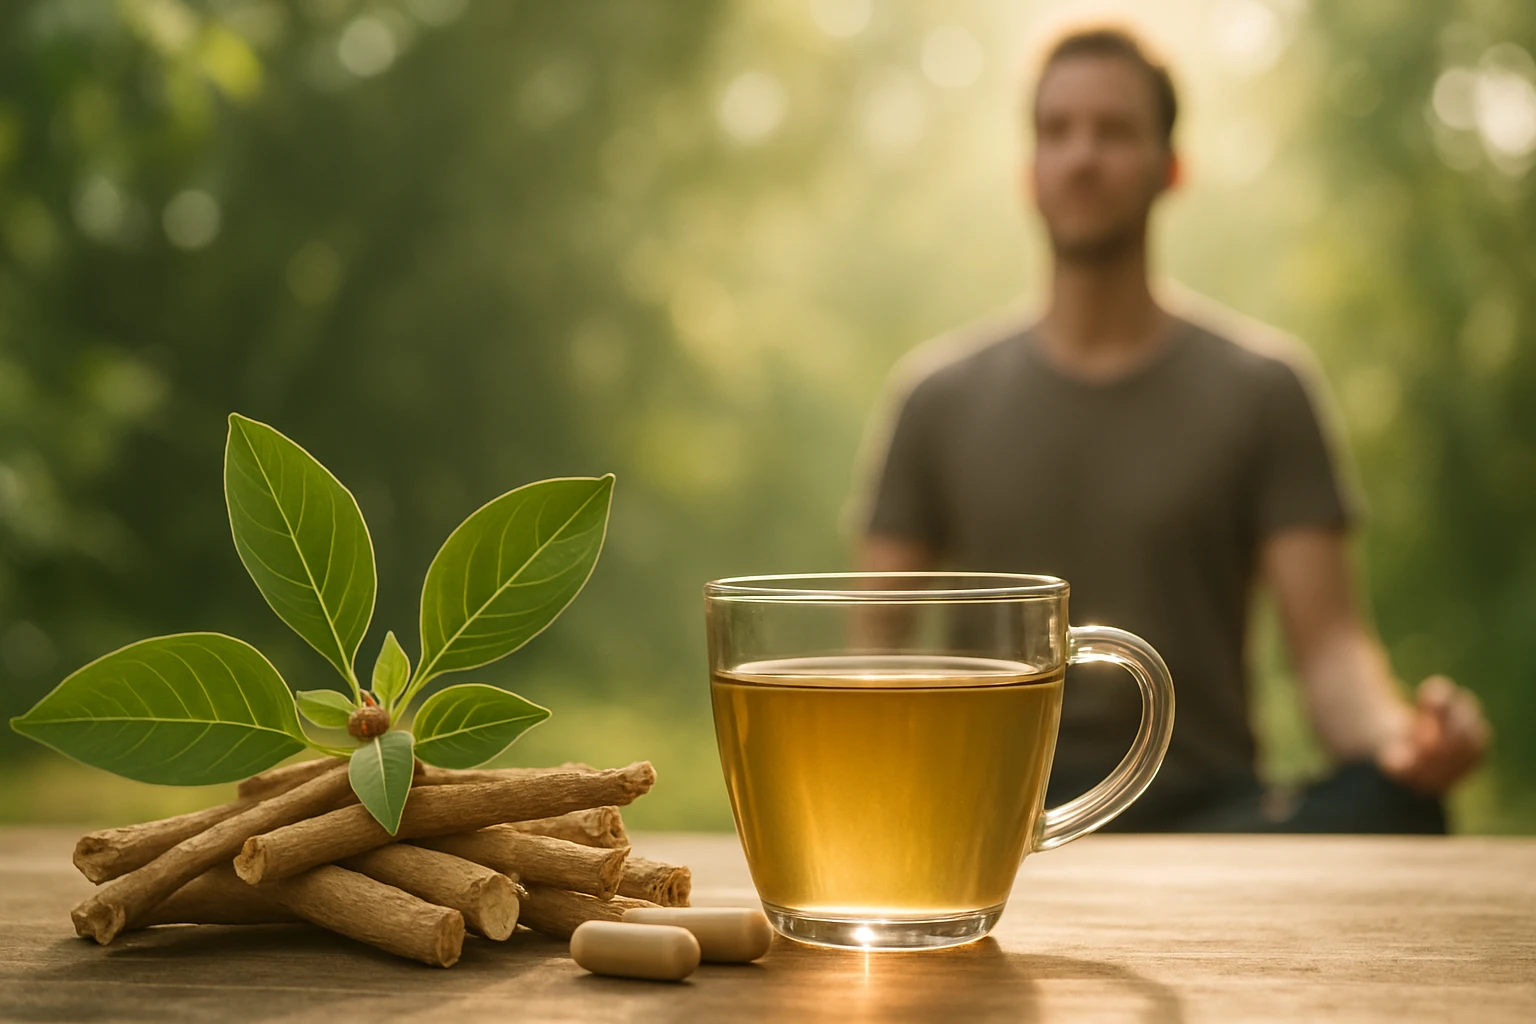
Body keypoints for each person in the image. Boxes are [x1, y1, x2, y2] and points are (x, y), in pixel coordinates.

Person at [854, 27, 1489, 831]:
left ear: (1170, 168)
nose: (1082, 155)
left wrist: (1405, 744)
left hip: (1213, 819)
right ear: (1030, 172)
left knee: (1401, 809)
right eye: (1057, 132)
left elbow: (1330, 651)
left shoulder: (1266, 388)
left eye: (1114, 131)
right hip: (990, 818)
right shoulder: (934, 398)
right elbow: (873, 655)